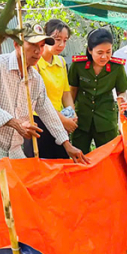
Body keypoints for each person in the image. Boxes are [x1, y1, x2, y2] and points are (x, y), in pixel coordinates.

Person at [0, 22, 88, 164]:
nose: (38, 51)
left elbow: (46, 110)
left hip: (14, 152)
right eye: (33, 45)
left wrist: (67, 144)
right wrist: (15, 123)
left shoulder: (36, 79)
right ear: (16, 44)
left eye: (42, 46)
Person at [68, 28, 127, 154]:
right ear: (90, 50)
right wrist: (70, 113)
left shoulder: (117, 67)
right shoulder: (78, 65)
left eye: (108, 52)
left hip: (106, 119)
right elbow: (72, 91)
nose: (104, 56)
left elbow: (122, 92)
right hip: (82, 119)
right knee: (80, 156)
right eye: (100, 52)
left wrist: (123, 99)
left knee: (109, 157)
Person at [25, 19, 77, 159]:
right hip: (40, 120)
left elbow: (66, 93)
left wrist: (72, 114)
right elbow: (38, 100)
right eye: (57, 39)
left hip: (60, 119)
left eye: (65, 40)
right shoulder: (35, 63)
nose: (61, 44)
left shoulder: (61, 61)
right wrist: (62, 120)